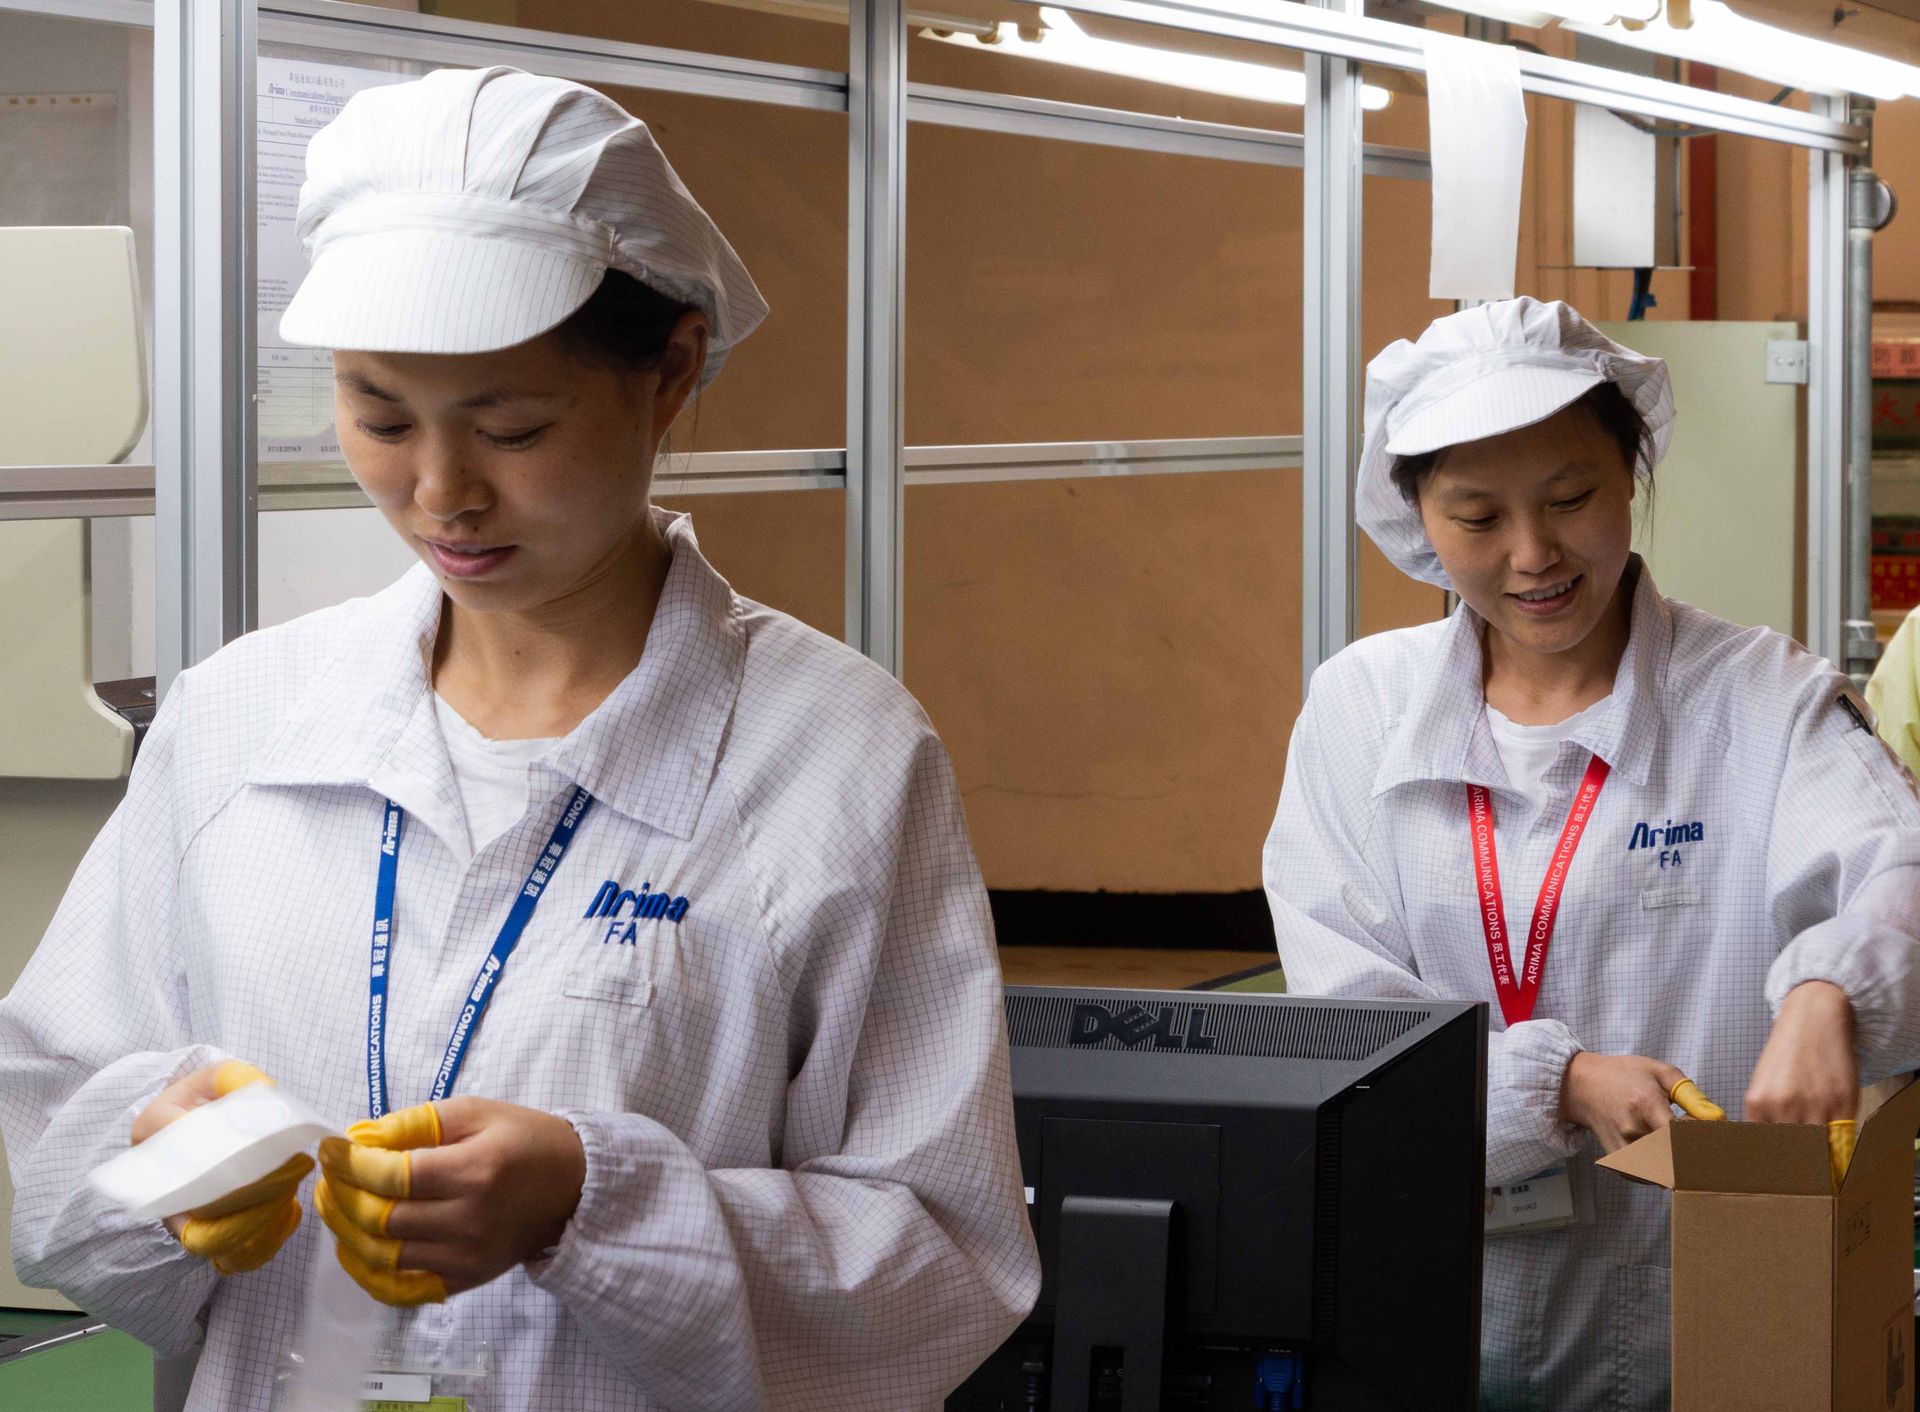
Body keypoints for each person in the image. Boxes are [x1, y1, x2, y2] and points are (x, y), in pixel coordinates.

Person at [0, 66, 1038, 1411]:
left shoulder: (836, 754)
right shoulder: (240, 720)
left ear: (671, 372)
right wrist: (159, 1162)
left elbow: (940, 1268)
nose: (442, 492)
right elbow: (50, 1117)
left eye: (513, 427)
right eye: (379, 416)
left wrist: (591, 1203)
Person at [1263, 297, 1920, 1411]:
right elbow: (1352, 1035)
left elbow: (1893, 866)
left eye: (1571, 498)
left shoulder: (1762, 697)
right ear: (1418, 516)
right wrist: (1553, 1082)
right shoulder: (1359, 710)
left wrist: (1831, 990)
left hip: (1708, 1328)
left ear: (1632, 471)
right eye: (1478, 517)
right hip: (1424, 1319)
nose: (1534, 556)